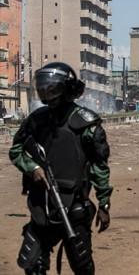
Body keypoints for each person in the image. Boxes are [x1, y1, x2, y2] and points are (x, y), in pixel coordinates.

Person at [9, 62, 112, 275]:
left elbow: (99, 166)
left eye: (52, 88)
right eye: (43, 88)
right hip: (42, 205)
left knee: (82, 264)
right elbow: (16, 150)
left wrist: (104, 204)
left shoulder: (86, 123)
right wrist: (32, 167)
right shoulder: (36, 120)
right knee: (33, 264)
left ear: (66, 89)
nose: (47, 94)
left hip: (74, 206)